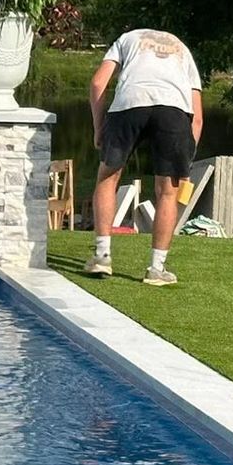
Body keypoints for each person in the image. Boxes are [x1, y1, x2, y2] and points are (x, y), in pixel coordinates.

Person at [84, 28, 203, 286]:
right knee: (168, 192)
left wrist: (98, 127)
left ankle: (102, 256)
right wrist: (186, 158)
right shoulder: (182, 49)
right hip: (174, 111)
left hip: (130, 102)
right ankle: (156, 269)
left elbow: (97, 84)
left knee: (107, 177)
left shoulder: (126, 39)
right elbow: (198, 118)